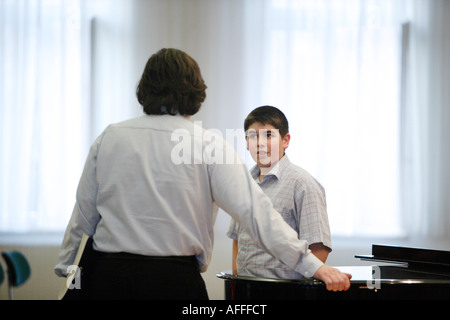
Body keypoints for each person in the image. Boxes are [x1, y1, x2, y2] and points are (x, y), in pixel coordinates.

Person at [54, 48, 351, 299]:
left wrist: (66, 265)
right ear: (196, 91)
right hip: (174, 282)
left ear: (144, 87)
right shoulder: (209, 145)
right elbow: (258, 215)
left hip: (107, 279)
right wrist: (314, 267)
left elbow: (84, 213)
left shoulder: (110, 137)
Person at [228, 106, 332, 280]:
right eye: (253, 136)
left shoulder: (303, 184)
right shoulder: (243, 183)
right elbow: (237, 240)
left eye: (268, 135)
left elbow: (319, 249)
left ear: (286, 140)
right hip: (246, 292)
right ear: (247, 143)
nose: (260, 143)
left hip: (286, 292)